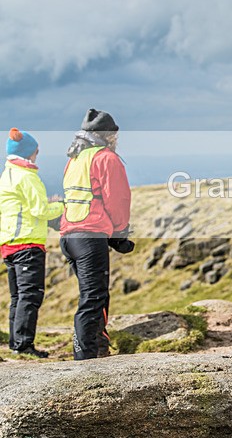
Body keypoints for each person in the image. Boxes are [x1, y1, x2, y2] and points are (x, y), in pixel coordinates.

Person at [60, 109, 133, 360]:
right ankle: (85, 356)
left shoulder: (75, 158)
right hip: (90, 236)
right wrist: (120, 233)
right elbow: (118, 199)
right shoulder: (106, 158)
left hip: (69, 235)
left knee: (94, 293)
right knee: (93, 297)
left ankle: (99, 346)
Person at [0, 128, 64, 358]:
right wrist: (60, 206)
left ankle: (16, 343)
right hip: (28, 244)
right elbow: (40, 210)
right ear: (29, 153)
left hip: (9, 244)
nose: (38, 156)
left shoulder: (7, 175)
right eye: (37, 151)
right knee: (30, 295)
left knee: (18, 296)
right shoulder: (27, 176)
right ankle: (24, 345)